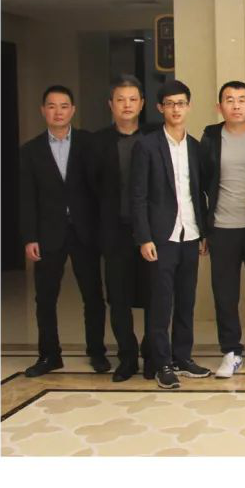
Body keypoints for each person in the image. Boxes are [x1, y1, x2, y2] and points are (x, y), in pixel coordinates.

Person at [19, 85, 107, 377]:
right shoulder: (31, 151)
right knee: (45, 298)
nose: (58, 112)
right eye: (52, 106)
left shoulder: (89, 143)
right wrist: (30, 237)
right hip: (48, 234)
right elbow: (26, 198)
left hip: (85, 231)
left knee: (93, 295)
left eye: (64, 106)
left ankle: (97, 352)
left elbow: (100, 189)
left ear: (73, 110)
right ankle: (49, 355)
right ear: (43, 110)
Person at [130, 80, 211, 389]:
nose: (176, 109)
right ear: (160, 108)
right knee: (161, 304)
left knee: (186, 301)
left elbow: (198, 193)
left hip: (190, 234)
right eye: (170, 104)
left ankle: (182, 357)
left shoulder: (195, 146)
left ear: (189, 106)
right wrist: (144, 237)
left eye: (181, 103)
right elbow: (138, 196)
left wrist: (203, 232)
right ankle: (161, 362)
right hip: (161, 237)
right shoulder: (147, 145)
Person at [199, 81, 245, 379]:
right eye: (229, 100)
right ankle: (231, 351)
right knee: (225, 295)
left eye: (242, 99)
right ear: (219, 107)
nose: (236, 105)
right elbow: (200, 183)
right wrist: (204, 229)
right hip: (222, 228)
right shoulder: (210, 136)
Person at [90, 75, 154, 381]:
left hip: (151, 232)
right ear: (110, 105)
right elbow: (91, 189)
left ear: (142, 104)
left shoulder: (155, 136)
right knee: (118, 298)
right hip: (114, 232)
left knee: (155, 296)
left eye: (132, 99)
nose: (127, 105)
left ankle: (152, 354)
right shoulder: (97, 142)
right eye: (120, 100)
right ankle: (127, 357)